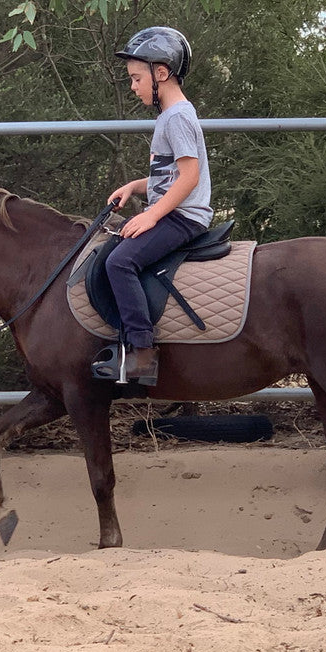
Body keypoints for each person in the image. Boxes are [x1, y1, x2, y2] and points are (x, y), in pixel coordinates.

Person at [106, 26, 213, 385]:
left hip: (184, 217)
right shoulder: (169, 116)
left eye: (136, 78)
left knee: (121, 262)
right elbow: (168, 176)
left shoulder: (178, 116)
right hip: (174, 210)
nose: (133, 86)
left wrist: (151, 214)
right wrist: (135, 188)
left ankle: (141, 357)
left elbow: (189, 176)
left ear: (161, 73)